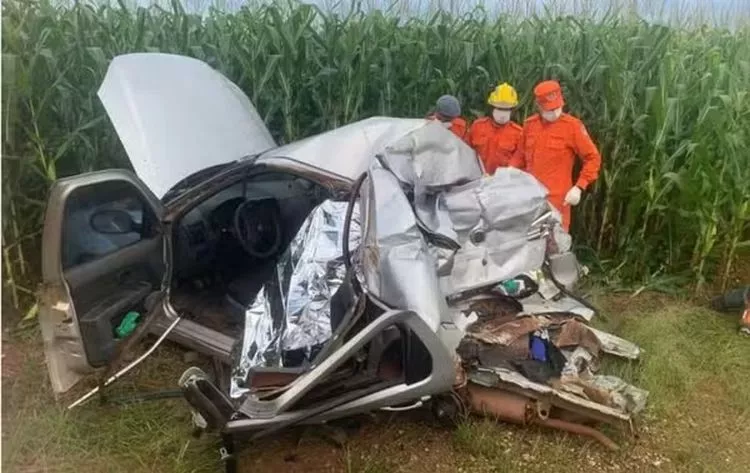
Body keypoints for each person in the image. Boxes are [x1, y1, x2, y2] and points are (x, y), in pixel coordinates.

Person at [510, 80, 601, 231]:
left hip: (557, 201)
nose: (555, 113)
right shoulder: (530, 125)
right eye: (550, 109)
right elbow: (520, 154)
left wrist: (579, 187)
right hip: (529, 199)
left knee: (554, 247)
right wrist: (509, 172)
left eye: (558, 107)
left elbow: (593, 158)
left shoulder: (572, 127)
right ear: (539, 107)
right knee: (528, 246)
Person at [466, 83, 522, 175]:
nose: (503, 113)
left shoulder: (518, 133)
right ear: (492, 108)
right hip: (477, 178)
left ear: (512, 111)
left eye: (506, 109)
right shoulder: (478, 126)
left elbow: (519, 161)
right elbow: (466, 152)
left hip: (503, 182)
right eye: (499, 108)